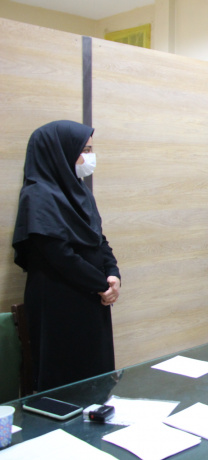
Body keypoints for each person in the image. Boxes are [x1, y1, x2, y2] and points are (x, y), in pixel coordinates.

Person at [12, 120, 121, 392]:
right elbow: (59, 255)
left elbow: (99, 239)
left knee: (96, 375)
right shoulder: (37, 195)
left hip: (93, 296)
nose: (89, 157)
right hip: (59, 301)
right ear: (60, 152)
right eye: (84, 150)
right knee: (65, 381)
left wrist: (113, 274)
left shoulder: (80, 191)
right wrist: (100, 284)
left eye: (90, 149)